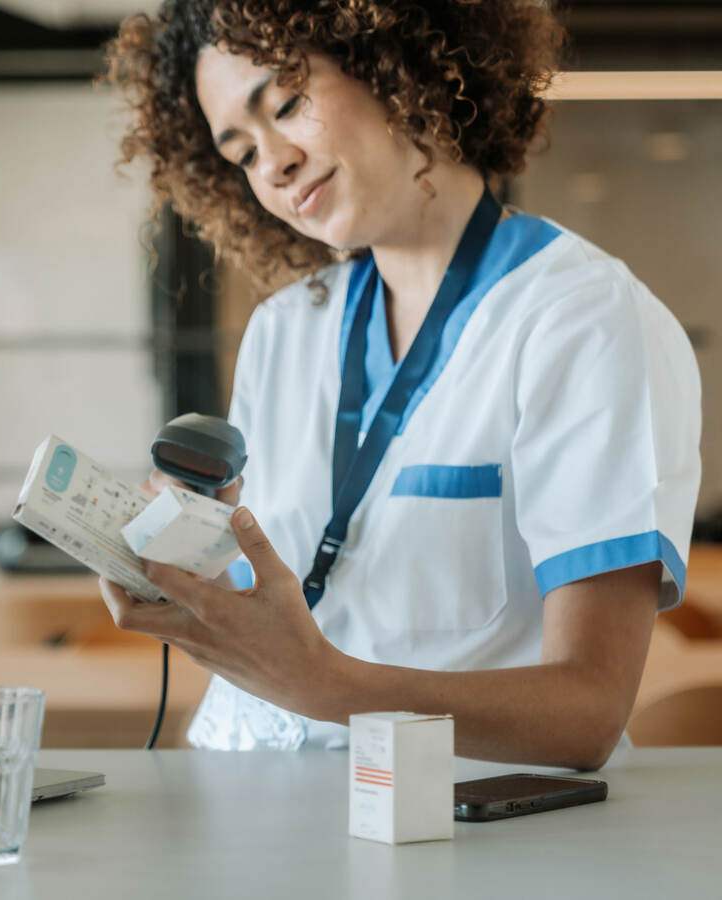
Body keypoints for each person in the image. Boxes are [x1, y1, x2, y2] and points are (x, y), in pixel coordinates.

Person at [97, 0, 702, 769]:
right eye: (241, 153)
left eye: (285, 104)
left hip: (453, 835)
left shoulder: (579, 318)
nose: (274, 165)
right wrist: (185, 578)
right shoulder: (286, 330)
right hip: (245, 795)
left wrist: (323, 684)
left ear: (395, 62)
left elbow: (586, 714)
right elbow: (292, 604)